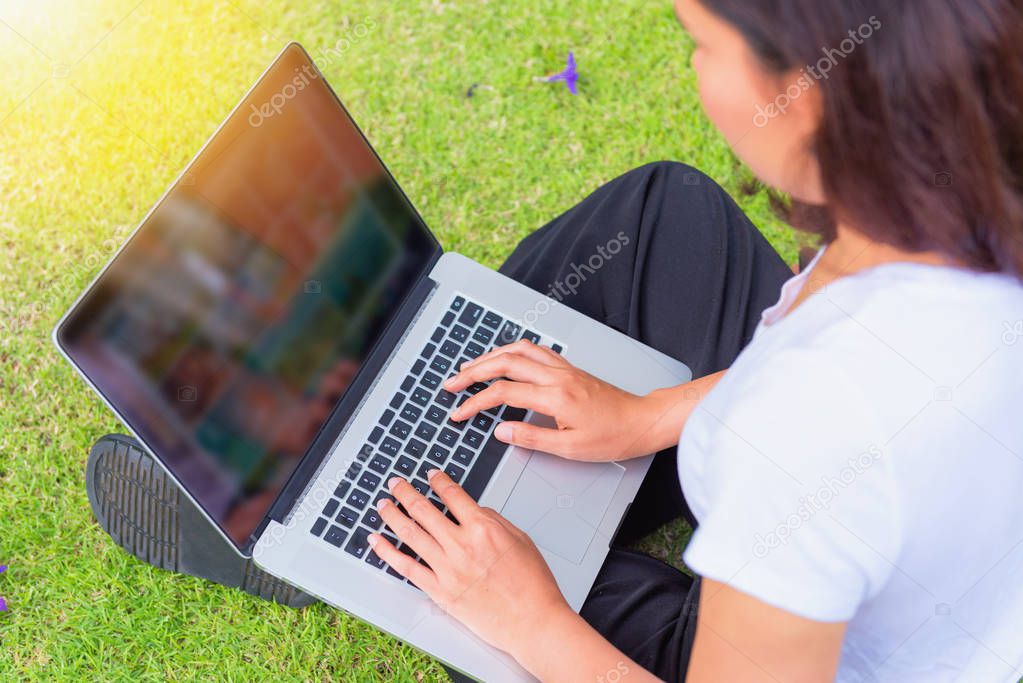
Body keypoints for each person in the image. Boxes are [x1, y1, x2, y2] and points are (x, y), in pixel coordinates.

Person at [87, 0, 1023, 680]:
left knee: (496, 607)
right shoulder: (974, 198)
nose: (691, 68)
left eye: (698, 42)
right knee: (665, 215)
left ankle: (332, 541)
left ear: (807, 93)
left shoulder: (800, 434)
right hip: (911, 559)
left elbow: (832, 426)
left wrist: (531, 622)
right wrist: (643, 414)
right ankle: (395, 473)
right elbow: (881, 388)